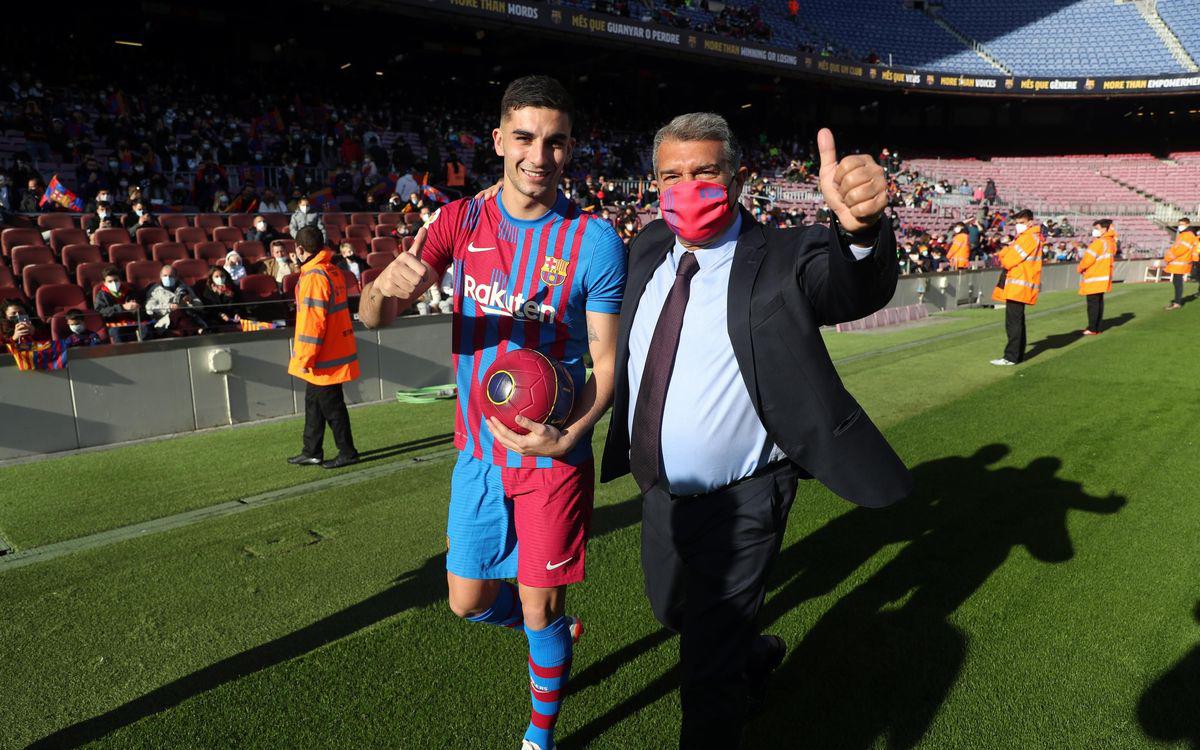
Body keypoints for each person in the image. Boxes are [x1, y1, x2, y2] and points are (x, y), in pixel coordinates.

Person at [598, 114, 910, 748]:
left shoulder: (784, 255)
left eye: (706, 172)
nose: (688, 188)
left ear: (737, 179)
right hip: (658, 489)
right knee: (674, 612)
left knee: (705, 675)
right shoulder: (648, 245)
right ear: (653, 184)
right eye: (672, 175)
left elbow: (847, 287)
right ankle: (752, 653)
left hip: (745, 495)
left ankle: (726, 682)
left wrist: (858, 227)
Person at [359, 75, 626, 750]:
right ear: (501, 139)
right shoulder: (461, 221)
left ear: (571, 150)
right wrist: (377, 293)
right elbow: (376, 315)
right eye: (527, 137)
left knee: (540, 602)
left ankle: (540, 732)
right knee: (467, 601)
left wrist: (570, 432)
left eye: (557, 142)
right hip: (478, 453)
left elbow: (607, 363)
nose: (541, 155)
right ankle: (554, 641)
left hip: (552, 456)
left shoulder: (594, 240)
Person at [287, 225, 360, 470]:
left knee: (332, 407)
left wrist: (304, 358)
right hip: (332, 351)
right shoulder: (332, 271)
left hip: (322, 357)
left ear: (299, 249)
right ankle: (312, 450)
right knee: (315, 404)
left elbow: (312, 323)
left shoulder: (314, 277)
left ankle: (347, 452)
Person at [990, 209, 1043, 365]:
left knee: (1013, 322)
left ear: (1030, 222)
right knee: (1017, 321)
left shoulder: (1028, 239)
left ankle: (1010, 357)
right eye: (1017, 223)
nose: (1018, 226)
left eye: (1021, 223)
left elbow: (1008, 261)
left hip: (1018, 284)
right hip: (1019, 283)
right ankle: (1016, 355)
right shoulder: (1028, 237)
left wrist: (1006, 250)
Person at [1078, 219, 1116, 334]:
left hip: (1094, 277)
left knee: (1093, 304)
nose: (1094, 231)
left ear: (1104, 229)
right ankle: (1096, 327)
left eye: (1097, 228)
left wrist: (1080, 268)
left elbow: (1087, 260)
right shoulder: (1110, 242)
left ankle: (1092, 328)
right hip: (1103, 277)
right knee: (1099, 302)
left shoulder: (1099, 243)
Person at [144, 265, 204, 336]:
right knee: (177, 312)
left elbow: (200, 306)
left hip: (187, 317)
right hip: (166, 322)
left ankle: (194, 332)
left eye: (171, 276)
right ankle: (199, 331)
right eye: (165, 275)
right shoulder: (155, 290)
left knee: (181, 316)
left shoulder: (184, 287)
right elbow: (149, 308)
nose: (168, 278)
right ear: (160, 276)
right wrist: (169, 307)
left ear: (176, 277)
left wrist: (190, 301)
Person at [92, 265, 145, 342]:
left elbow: (139, 308)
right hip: (113, 324)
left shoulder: (129, 292)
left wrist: (136, 308)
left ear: (120, 280)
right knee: (118, 332)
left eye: (116, 280)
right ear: (104, 283)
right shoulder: (101, 295)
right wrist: (122, 307)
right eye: (110, 281)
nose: (114, 283)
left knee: (145, 328)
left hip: (131, 322)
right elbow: (100, 312)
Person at [1163, 217, 1196, 310]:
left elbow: (1181, 249)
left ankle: (1177, 303)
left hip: (1181, 262)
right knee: (1176, 281)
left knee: (1177, 282)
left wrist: (1169, 257)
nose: (1180, 226)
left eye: (1182, 224)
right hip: (1179, 262)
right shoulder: (1184, 234)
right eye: (1179, 224)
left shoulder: (1187, 235)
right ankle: (1177, 302)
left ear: (1187, 225)